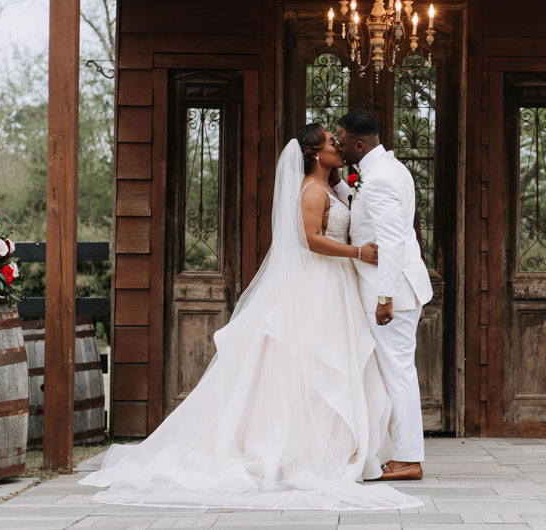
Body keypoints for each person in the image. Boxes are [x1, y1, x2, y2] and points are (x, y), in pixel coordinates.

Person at [78, 124, 421, 511]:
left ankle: (334, 444)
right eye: (330, 143)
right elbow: (309, 238)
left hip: (337, 286)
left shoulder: (332, 187)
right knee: (314, 364)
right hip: (320, 284)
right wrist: (358, 253)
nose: (338, 147)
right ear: (312, 154)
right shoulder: (310, 189)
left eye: (338, 142)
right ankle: (303, 448)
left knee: (336, 363)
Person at [334, 110, 433, 481]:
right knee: (394, 371)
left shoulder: (378, 180)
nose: (339, 146)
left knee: (399, 373)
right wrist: (337, 184)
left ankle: (408, 459)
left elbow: (391, 240)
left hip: (393, 291)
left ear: (359, 145)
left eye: (342, 141)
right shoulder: (386, 170)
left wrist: (385, 297)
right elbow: (368, 212)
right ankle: (396, 451)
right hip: (398, 287)